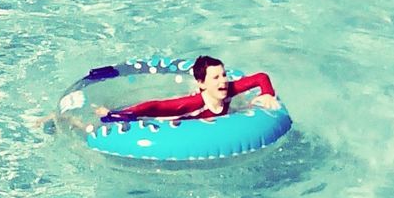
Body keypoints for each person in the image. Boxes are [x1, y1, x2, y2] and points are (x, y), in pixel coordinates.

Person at [96, 56, 279, 122]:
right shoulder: (192, 103)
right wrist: (113, 114)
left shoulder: (228, 89)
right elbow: (154, 107)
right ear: (202, 83)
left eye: (223, 75)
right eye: (215, 77)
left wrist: (268, 94)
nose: (223, 81)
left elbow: (261, 77)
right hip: (179, 119)